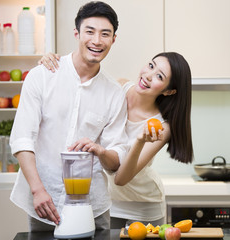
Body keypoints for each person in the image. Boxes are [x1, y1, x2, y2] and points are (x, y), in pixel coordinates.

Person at [9, 1, 129, 232]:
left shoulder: (114, 93)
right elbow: (22, 138)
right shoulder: (42, 76)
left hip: (93, 207)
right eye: (90, 32)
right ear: (77, 33)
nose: (97, 41)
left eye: (105, 34)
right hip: (45, 202)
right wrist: (37, 190)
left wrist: (101, 151)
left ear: (113, 39)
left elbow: (116, 158)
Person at [40, 51, 194, 228]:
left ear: (169, 91)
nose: (148, 76)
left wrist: (139, 141)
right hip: (108, 200)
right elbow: (79, 91)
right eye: (151, 66)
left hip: (144, 204)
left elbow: (121, 178)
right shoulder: (119, 87)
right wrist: (53, 66)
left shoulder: (162, 127)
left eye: (159, 76)